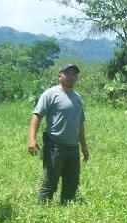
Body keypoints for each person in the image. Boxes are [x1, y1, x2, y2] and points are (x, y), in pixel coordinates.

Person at [27, 63, 89, 204]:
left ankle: (65, 211)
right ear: (59, 76)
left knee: (71, 184)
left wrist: (84, 147)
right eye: (67, 74)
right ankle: (42, 213)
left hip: (73, 148)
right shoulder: (50, 94)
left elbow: (80, 124)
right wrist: (31, 139)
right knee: (50, 183)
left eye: (74, 74)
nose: (71, 77)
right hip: (55, 146)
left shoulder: (77, 98)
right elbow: (37, 116)